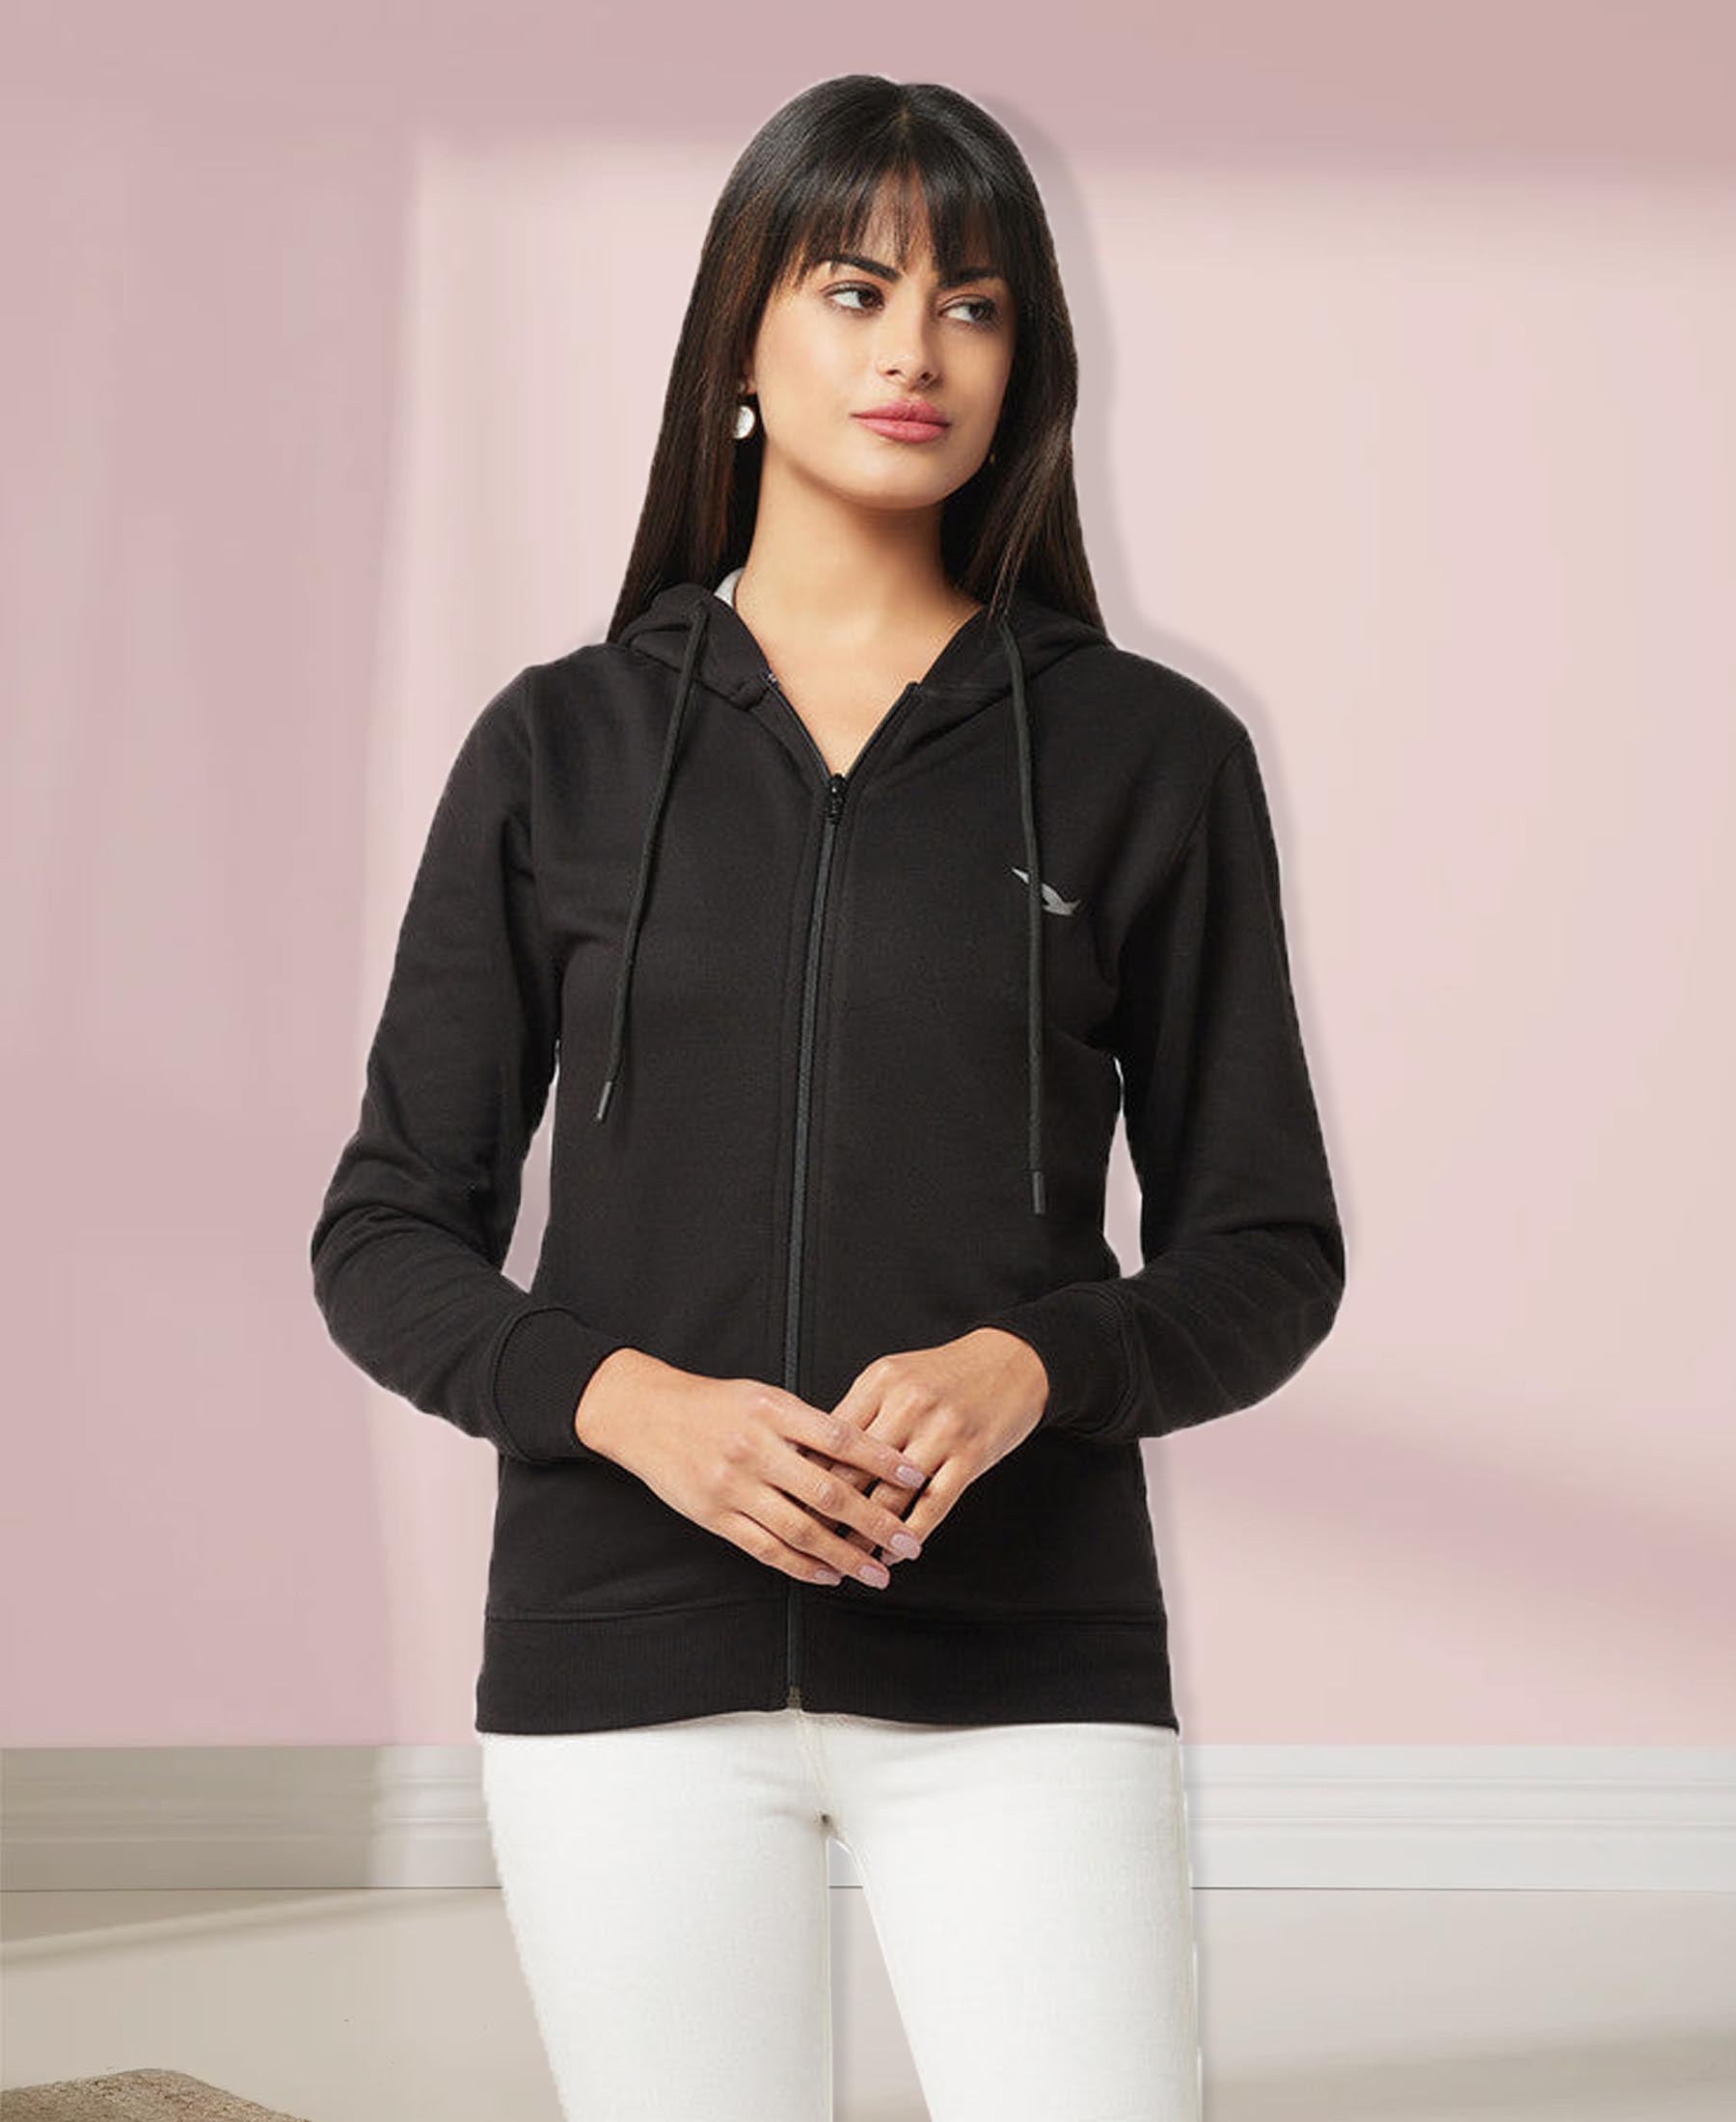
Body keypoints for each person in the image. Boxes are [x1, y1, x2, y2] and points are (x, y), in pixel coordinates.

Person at [311, 73, 1345, 2122]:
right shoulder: (560, 752)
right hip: (622, 1659)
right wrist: (629, 1404)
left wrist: (1033, 1366)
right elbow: (384, 1231)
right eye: (857, 289)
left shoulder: (1150, 759)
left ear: (1025, 364)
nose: (914, 349)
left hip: (1023, 1659)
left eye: (973, 304)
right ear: (744, 343)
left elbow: (1268, 1252)